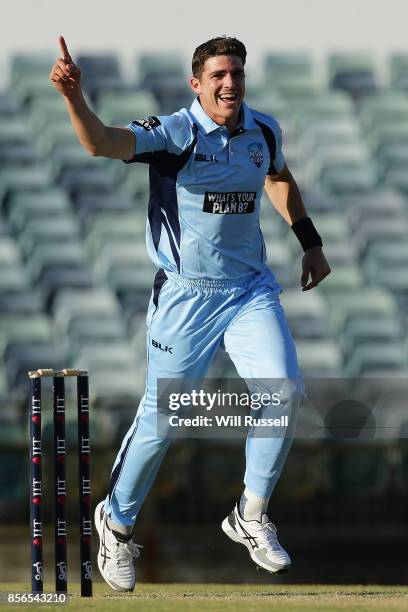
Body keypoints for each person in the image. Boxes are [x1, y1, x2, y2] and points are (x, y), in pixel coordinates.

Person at [50, 34, 331, 592]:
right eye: (219, 75)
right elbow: (101, 143)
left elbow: (276, 175)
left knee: (283, 391)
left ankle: (250, 515)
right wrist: (74, 98)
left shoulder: (263, 130)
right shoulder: (175, 133)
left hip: (249, 290)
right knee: (164, 416)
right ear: (197, 83)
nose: (231, 84)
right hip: (186, 296)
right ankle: (116, 521)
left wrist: (310, 240)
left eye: (238, 74)